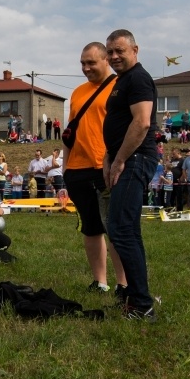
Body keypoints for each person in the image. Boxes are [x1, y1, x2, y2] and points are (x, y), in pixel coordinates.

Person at [62, 41, 127, 296]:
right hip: (77, 170)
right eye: (82, 63)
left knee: (115, 228)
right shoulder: (78, 92)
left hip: (106, 168)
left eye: (91, 62)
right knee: (91, 228)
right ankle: (100, 282)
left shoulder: (119, 87)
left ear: (106, 61)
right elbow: (69, 133)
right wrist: (66, 167)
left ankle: (124, 284)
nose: (86, 68)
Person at [102, 29, 158, 321]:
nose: (113, 57)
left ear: (135, 49)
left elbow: (142, 122)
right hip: (125, 159)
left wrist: (120, 159)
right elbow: (120, 123)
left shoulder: (138, 78)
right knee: (127, 231)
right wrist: (109, 156)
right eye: (110, 52)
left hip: (135, 159)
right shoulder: (120, 81)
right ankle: (137, 297)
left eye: (119, 51)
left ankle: (141, 304)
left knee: (121, 230)